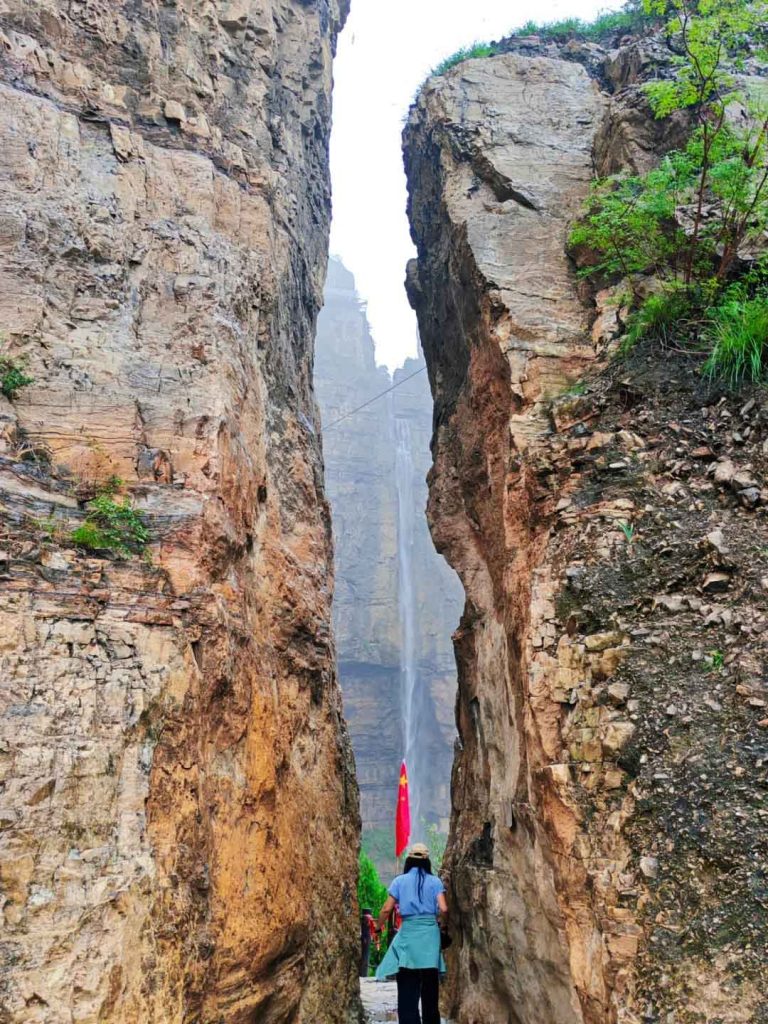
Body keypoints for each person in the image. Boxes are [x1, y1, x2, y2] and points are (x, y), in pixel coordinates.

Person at [374, 843, 448, 1024]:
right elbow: (444, 908)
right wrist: (442, 926)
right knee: (430, 988)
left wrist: (378, 927)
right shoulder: (435, 881)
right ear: (426, 861)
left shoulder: (400, 881)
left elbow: (386, 909)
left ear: (409, 860)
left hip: (409, 936)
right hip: (430, 938)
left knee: (407, 988)